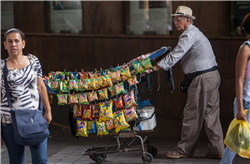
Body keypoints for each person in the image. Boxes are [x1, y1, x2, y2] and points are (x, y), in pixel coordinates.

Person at [148, 6, 225, 159]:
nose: (175, 22)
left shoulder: (189, 35)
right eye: (175, 19)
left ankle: (184, 149)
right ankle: (218, 150)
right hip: (212, 76)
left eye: (179, 19)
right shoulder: (195, 33)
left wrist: (154, 67)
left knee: (192, 115)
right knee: (211, 115)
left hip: (202, 79)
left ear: (188, 20)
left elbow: (177, 54)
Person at [0, 28, 52, 164]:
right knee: (16, 160)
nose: (13, 44)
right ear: (5, 45)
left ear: (23, 43)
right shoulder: (1, 67)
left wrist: (48, 110)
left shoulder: (33, 61)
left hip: (34, 117)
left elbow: (41, 86)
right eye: (9, 41)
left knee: (40, 160)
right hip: (9, 121)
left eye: (16, 41)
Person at [220, 13, 250, 164]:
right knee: (236, 141)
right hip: (247, 102)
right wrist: (240, 108)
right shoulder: (246, 48)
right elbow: (238, 80)